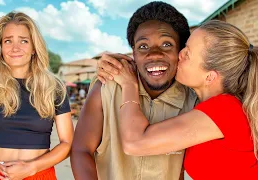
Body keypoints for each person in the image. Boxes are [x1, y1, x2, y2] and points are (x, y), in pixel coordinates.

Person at [101, 20, 258, 179]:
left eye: (187, 54)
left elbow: (135, 143)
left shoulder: (225, 109)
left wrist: (128, 85)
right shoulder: (205, 105)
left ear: (210, 77)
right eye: (183, 47)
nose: (179, 54)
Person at [70, 2, 197, 180]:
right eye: (143, 46)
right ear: (133, 54)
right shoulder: (107, 87)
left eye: (167, 44)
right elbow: (81, 150)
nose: (154, 54)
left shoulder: (192, 100)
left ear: (180, 52)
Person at [0, 12, 74, 180]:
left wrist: (31, 168)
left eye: (24, 41)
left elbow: (68, 144)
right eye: (7, 41)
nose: (15, 48)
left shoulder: (53, 88)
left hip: (39, 174)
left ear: (34, 47)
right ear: (0, 47)